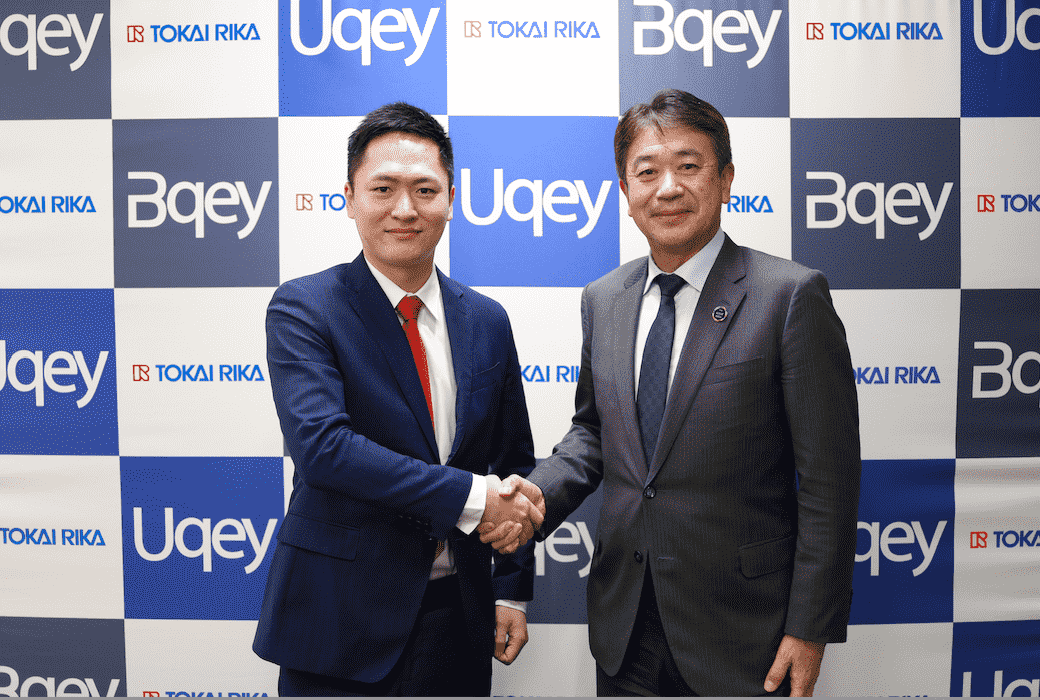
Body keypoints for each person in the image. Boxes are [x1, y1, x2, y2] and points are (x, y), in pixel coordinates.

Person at [482, 89, 862, 696]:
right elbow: (594, 432)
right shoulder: (604, 298)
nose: (668, 188)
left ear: (726, 179)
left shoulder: (790, 297)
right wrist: (535, 498)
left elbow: (830, 484)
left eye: (689, 166)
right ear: (625, 190)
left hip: (745, 633)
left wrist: (809, 629)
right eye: (647, 172)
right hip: (625, 625)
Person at [253, 102, 544, 697]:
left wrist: (511, 588)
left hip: (458, 619)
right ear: (349, 196)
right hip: (339, 623)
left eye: (424, 190)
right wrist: (473, 499)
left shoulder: (486, 319)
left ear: (451, 199)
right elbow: (324, 450)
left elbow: (512, 461)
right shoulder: (305, 308)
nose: (405, 209)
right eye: (383, 188)